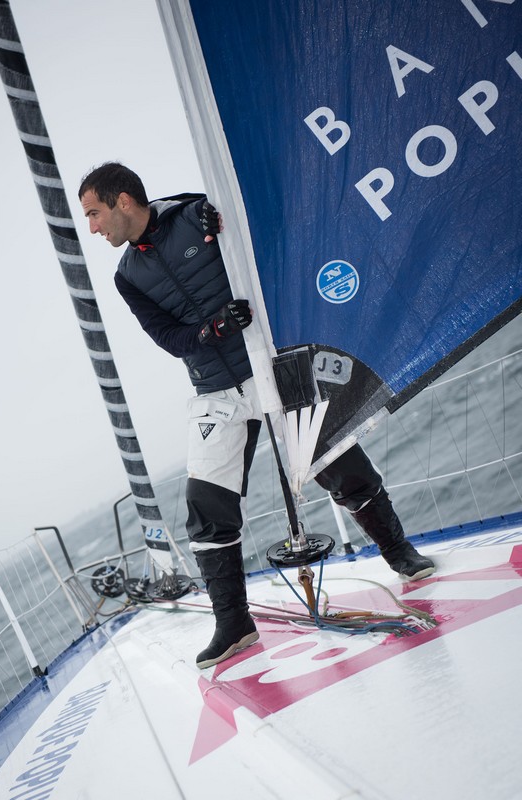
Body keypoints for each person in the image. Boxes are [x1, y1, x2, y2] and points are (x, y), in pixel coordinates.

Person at [78, 162, 435, 669]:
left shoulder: (198, 213)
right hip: (214, 387)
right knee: (205, 505)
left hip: (270, 362)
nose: (92, 227)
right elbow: (166, 338)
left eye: (94, 213)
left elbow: (269, 242)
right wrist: (210, 331)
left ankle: (400, 555)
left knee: (338, 460)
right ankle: (234, 624)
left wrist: (218, 220)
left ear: (123, 201)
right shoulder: (126, 276)